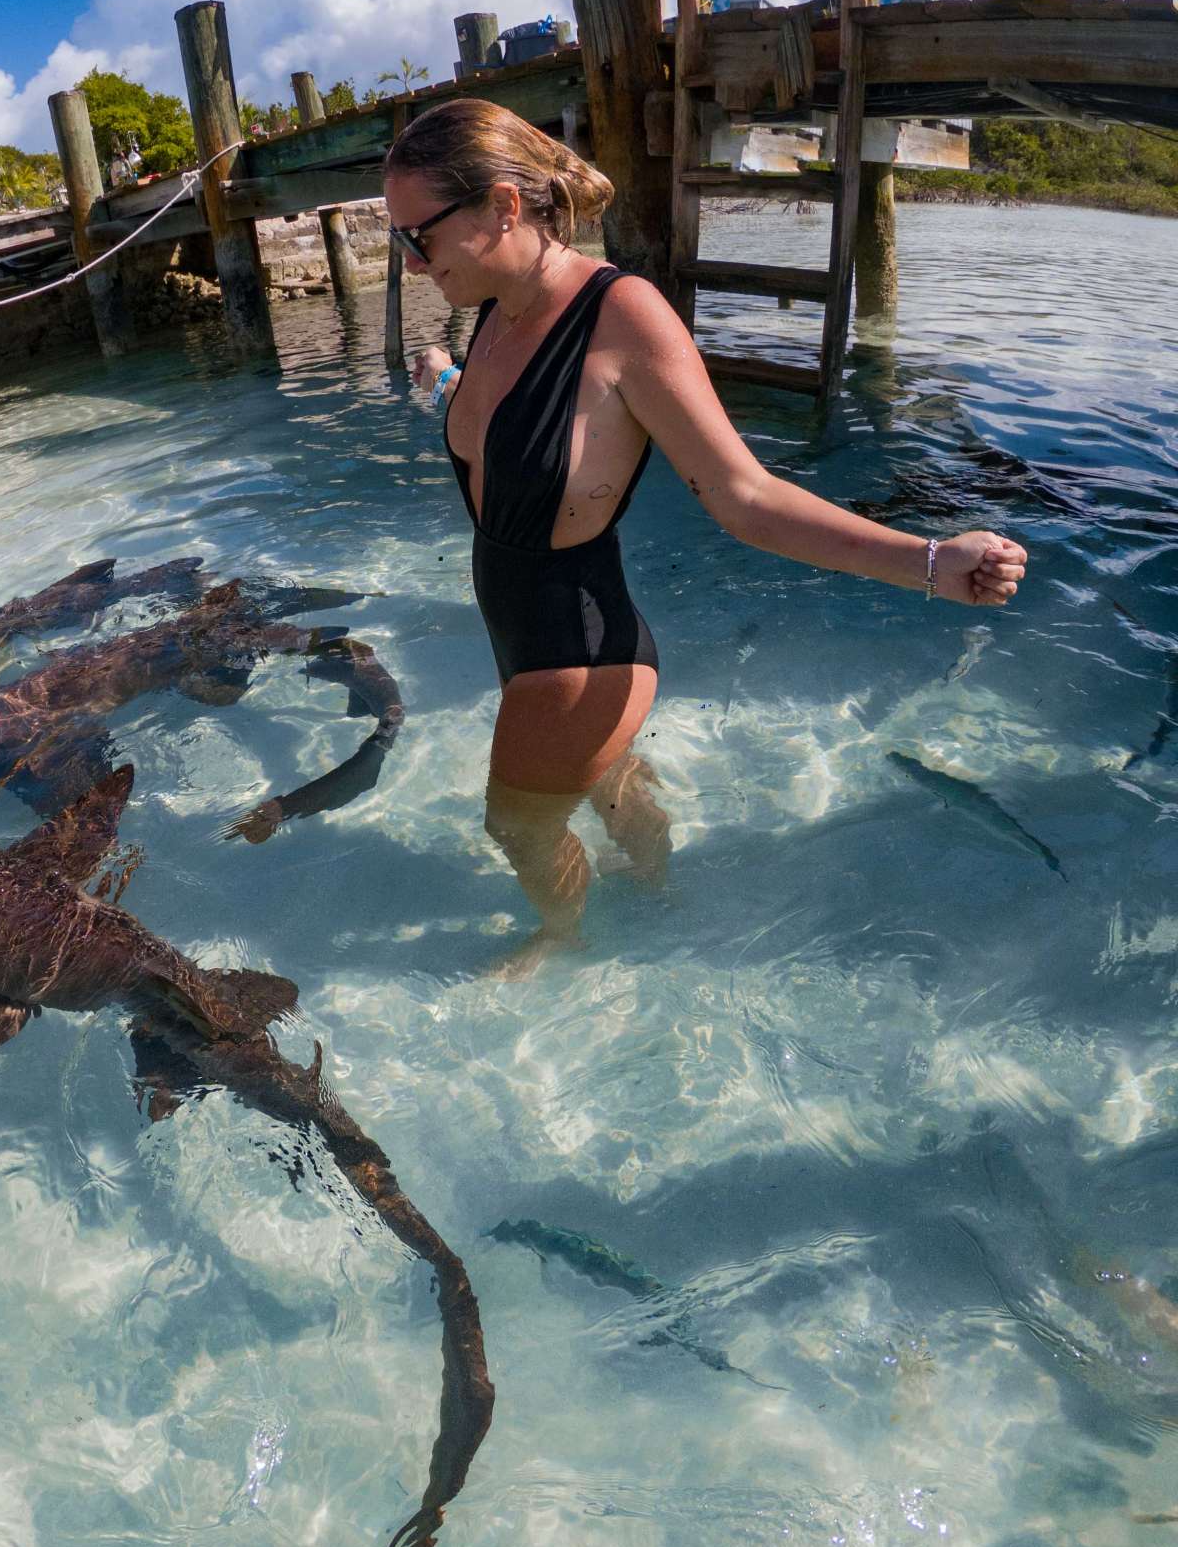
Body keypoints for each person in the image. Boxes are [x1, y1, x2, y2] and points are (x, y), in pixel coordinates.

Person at [384, 98, 1028, 972]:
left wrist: (927, 561)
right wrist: (448, 381)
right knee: (609, 788)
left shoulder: (623, 316)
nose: (412, 264)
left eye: (418, 237)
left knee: (516, 824)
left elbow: (746, 497)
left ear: (502, 207)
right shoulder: (494, 306)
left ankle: (566, 940)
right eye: (400, 242)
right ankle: (662, 905)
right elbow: (519, 433)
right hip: (527, 640)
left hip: (577, 653)